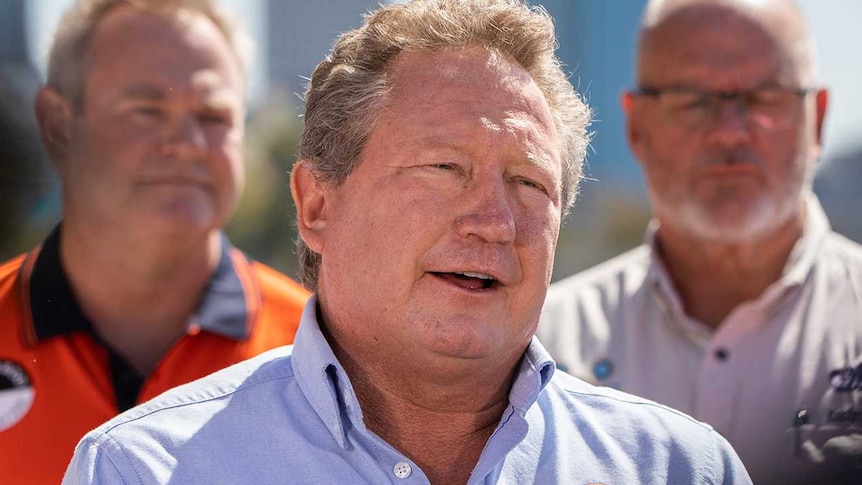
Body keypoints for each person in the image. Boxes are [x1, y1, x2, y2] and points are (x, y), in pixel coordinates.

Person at [63, 1, 751, 483]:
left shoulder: (683, 468)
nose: (494, 220)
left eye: (529, 183)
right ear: (316, 204)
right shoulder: (143, 469)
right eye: (444, 169)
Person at [536, 0, 862, 483]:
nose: (729, 133)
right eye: (693, 100)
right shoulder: (539, 345)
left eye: (764, 96)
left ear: (817, 118)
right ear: (636, 125)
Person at [0, 1, 309, 482]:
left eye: (212, 114)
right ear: (58, 123)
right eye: (146, 110)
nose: (186, 141)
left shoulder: (323, 353)